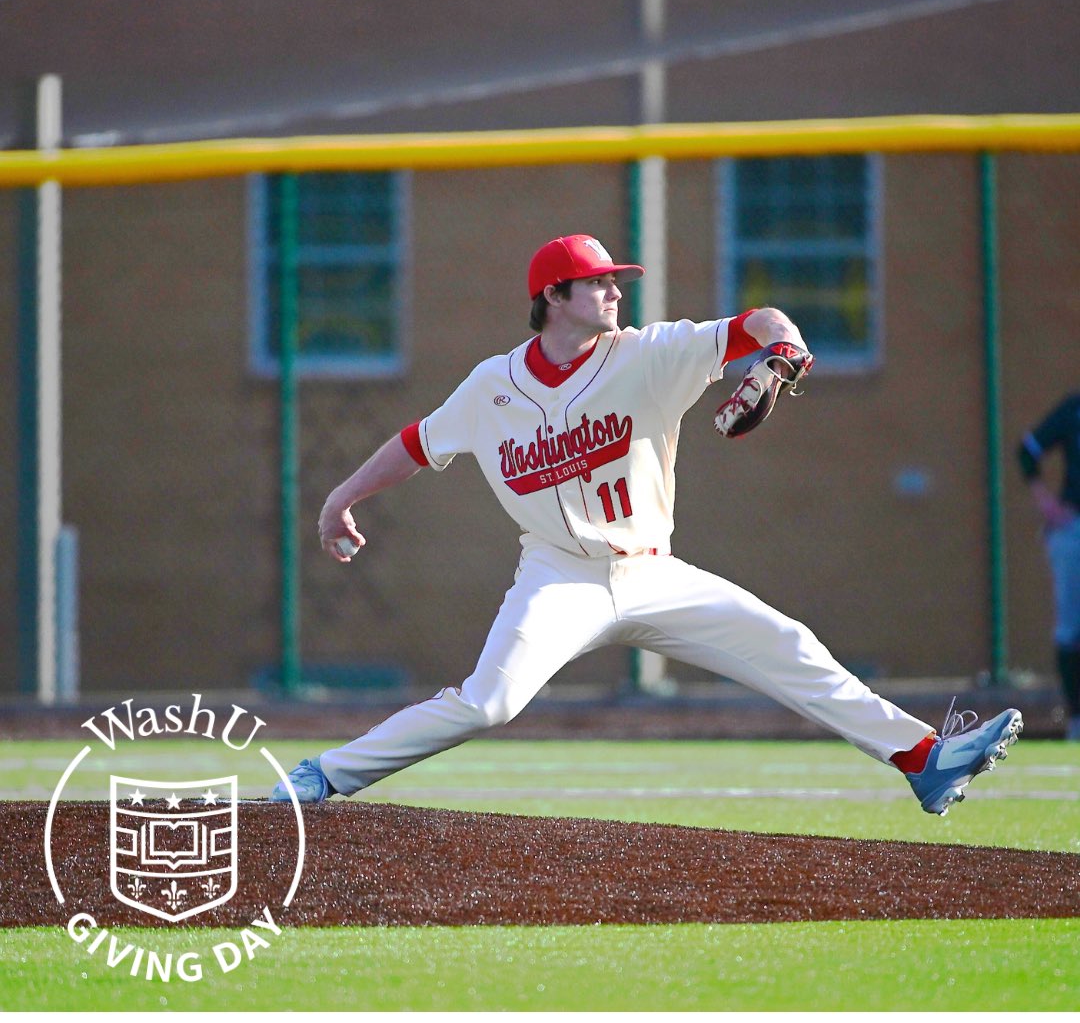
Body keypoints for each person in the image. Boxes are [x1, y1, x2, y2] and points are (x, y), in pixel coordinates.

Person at [271, 234, 1022, 814]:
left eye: (614, 281)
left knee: (785, 643)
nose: (613, 292)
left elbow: (758, 322)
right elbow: (417, 444)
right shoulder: (491, 386)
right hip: (557, 573)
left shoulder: (649, 354)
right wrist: (343, 496)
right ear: (554, 295)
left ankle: (925, 760)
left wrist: (784, 350)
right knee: (489, 702)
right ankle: (322, 775)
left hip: (653, 572)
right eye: (598, 282)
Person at [1018, 392, 1080, 740]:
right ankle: (1076, 722)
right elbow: (1027, 452)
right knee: (1071, 629)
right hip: (1075, 528)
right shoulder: (1073, 410)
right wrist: (1049, 507)